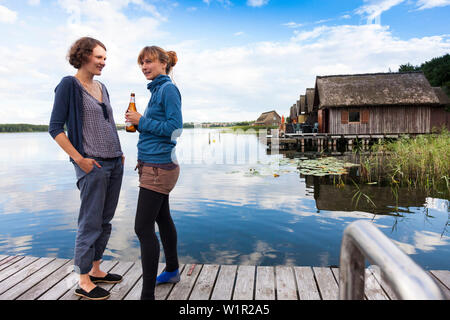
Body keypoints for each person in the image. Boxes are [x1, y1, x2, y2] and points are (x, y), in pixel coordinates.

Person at [48, 37, 124, 300]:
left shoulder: (102, 86)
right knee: (90, 222)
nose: (104, 62)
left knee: (105, 220)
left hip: (114, 161)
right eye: (99, 57)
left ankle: (96, 269)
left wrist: (120, 151)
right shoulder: (69, 85)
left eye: (105, 58)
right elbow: (55, 128)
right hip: (92, 164)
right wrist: (79, 159)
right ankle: (82, 280)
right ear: (83, 56)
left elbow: (109, 123)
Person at [125, 46, 183, 300]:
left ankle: (147, 295)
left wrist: (142, 120)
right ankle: (171, 270)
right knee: (163, 218)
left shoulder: (168, 89)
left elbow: (175, 128)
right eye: (142, 63)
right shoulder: (157, 90)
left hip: (158, 168)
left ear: (163, 63)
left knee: (142, 228)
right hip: (153, 165)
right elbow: (155, 127)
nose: (144, 67)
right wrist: (138, 124)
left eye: (149, 62)